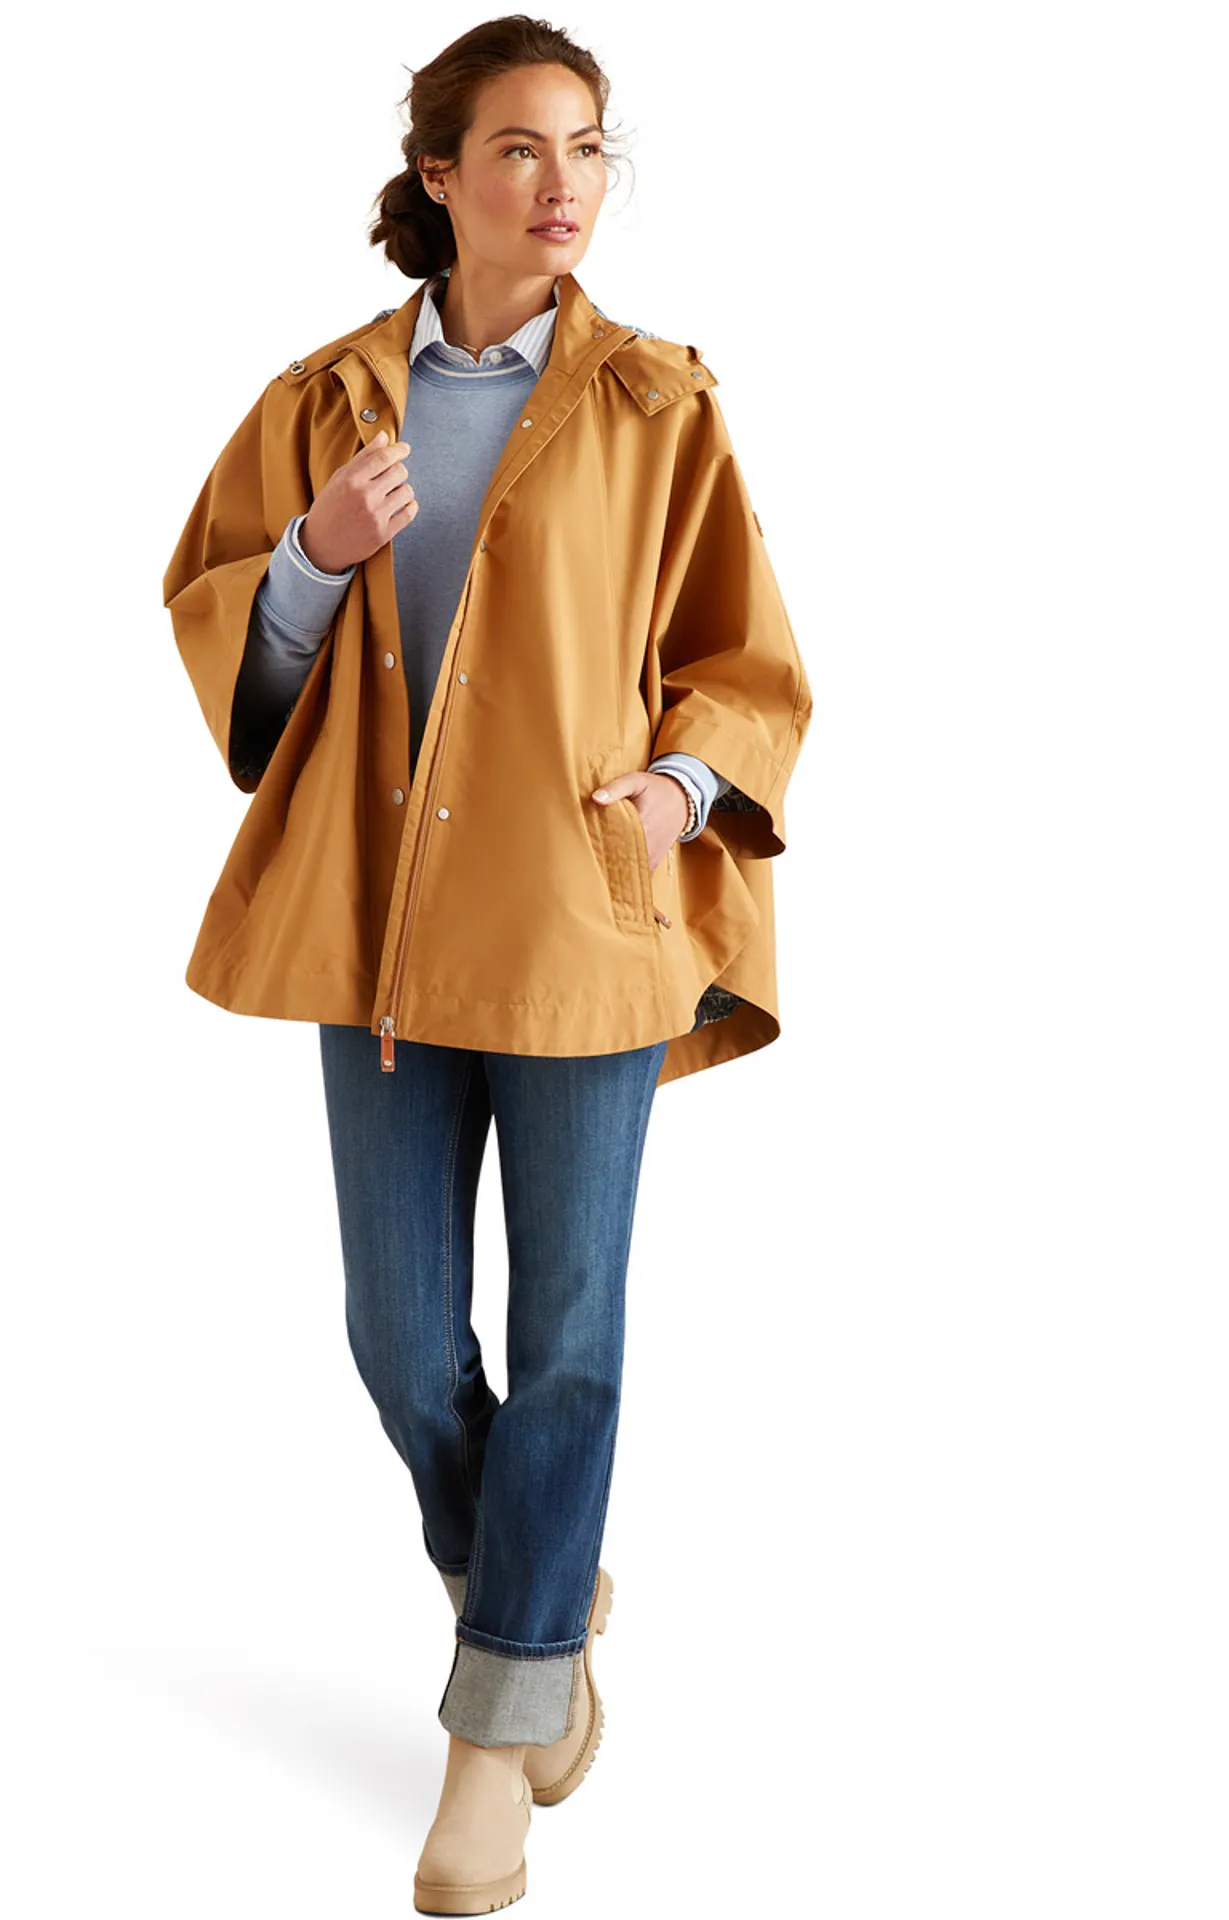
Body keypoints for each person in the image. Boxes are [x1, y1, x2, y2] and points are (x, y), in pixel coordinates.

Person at [161, 19, 811, 1913]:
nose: (563, 183)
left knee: (570, 1338)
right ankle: (529, 1583)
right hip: (380, 924)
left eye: (588, 148)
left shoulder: (656, 405)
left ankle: (495, 1740)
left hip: (583, 917)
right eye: (521, 148)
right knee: (397, 1332)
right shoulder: (323, 403)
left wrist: (684, 788)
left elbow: (744, 658)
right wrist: (309, 555)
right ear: (439, 174)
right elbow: (231, 644)